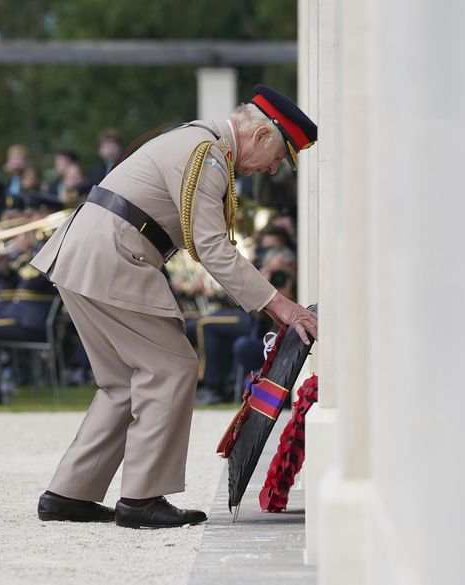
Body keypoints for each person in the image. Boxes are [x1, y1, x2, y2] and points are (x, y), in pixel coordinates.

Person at [31, 84, 318, 528]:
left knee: (123, 382)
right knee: (172, 366)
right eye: (278, 157)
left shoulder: (196, 140)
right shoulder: (207, 153)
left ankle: (70, 493)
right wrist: (280, 305)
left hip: (85, 252)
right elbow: (211, 247)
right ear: (261, 136)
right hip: (113, 255)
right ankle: (142, 499)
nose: (272, 168)